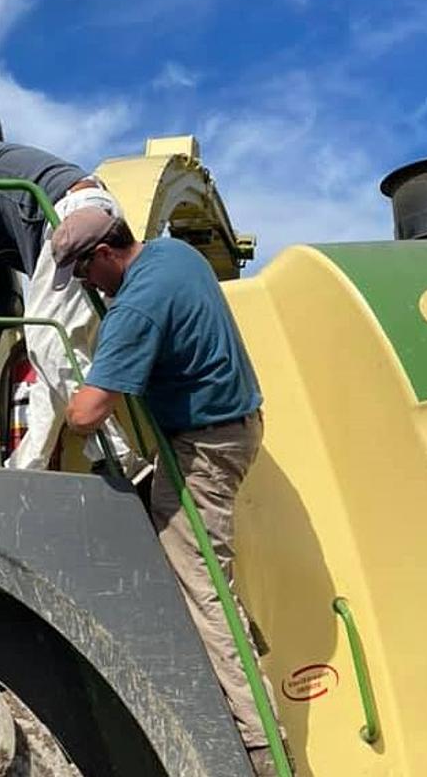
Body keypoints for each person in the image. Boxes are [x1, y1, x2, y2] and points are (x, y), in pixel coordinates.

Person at [53, 207, 289, 777]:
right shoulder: (173, 254)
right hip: (228, 430)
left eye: (85, 273)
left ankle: (259, 743)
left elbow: (87, 413)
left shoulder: (136, 307)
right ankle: (243, 662)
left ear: (105, 255)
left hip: (204, 447)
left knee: (203, 583)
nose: (87, 285)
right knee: (187, 551)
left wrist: (58, 407)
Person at [0, 138, 145, 477]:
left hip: (76, 218)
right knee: (51, 362)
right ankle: (26, 466)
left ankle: (115, 451)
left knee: (46, 340)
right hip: (85, 214)